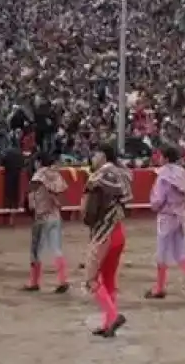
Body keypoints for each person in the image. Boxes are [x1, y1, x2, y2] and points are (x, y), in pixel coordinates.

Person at [82, 144, 130, 338]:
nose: (92, 157)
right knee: (108, 279)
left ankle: (113, 315)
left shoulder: (98, 177)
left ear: (103, 155)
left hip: (103, 234)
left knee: (91, 280)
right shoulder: (122, 175)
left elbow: (88, 212)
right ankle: (108, 323)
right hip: (119, 233)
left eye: (95, 153)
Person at [145, 145, 185, 299]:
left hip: (166, 216)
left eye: (160, 155)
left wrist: (155, 206)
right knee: (180, 252)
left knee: (162, 252)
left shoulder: (163, 174)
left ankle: (159, 288)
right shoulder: (181, 172)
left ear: (165, 158)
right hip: (180, 215)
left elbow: (158, 199)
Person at [24, 153, 70, 293]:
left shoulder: (38, 176)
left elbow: (31, 203)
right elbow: (61, 195)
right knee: (57, 249)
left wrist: (32, 205)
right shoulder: (57, 176)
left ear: (39, 163)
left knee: (36, 251)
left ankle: (34, 282)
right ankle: (63, 280)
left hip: (41, 218)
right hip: (55, 217)